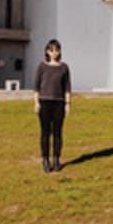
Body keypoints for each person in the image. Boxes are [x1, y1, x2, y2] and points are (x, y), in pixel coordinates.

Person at [33, 38, 71, 173]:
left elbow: (67, 87)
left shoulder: (64, 67)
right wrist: (36, 102)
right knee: (45, 133)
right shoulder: (42, 66)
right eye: (51, 50)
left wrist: (67, 104)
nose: (54, 53)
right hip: (44, 101)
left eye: (56, 50)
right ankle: (45, 159)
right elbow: (36, 86)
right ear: (47, 51)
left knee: (57, 133)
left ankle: (56, 159)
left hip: (59, 103)